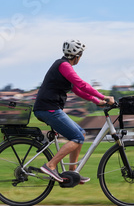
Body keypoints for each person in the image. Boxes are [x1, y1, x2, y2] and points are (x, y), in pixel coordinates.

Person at [33, 39, 114, 183]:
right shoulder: (64, 65)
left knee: (81, 133)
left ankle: (72, 174)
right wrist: (104, 96)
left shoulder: (64, 66)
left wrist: (97, 101)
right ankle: (50, 165)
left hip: (50, 108)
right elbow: (82, 84)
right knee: (78, 137)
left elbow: (77, 90)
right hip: (48, 109)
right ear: (77, 55)